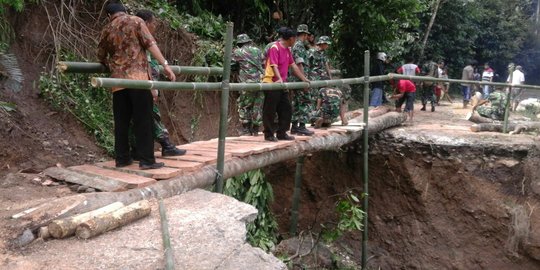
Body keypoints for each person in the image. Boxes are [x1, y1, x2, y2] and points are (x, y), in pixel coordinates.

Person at [98, 3, 175, 170]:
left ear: (109, 15)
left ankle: (122, 159)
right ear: (125, 11)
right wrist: (165, 64)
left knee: (122, 122)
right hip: (138, 79)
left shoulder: (106, 29)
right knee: (143, 120)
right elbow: (149, 44)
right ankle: (147, 160)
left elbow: (101, 55)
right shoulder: (136, 21)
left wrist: (112, 64)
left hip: (118, 82)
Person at [135, 10, 186, 157]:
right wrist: (153, 87)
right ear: (147, 23)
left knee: (143, 115)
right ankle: (166, 145)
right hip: (146, 85)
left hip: (145, 84)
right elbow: (147, 66)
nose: (155, 26)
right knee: (152, 114)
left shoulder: (138, 38)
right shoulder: (143, 39)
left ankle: (138, 149)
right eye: (154, 22)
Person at [262, 27, 309, 142]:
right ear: (291, 38)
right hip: (272, 82)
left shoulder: (287, 50)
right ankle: (268, 134)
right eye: (295, 39)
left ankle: (282, 132)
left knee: (286, 108)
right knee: (270, 109)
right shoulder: (275, 47)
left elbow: (293, 66)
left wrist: (304, 79)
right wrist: (279, 78)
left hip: (282, 84)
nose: (295, 41)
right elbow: (274, 65)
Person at [232, 33, 264, 136]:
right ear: (249, 41)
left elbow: (231, 65)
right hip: (260, 83)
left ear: (239, 44)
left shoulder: (237, 52)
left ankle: (246, 129)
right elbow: (263, 63)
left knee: (244, 105)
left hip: (246, 83)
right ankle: (255, 129)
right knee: (257, 105)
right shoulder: (258, 51)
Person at [289, 24, 315, 136]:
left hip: (297, 80)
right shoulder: (299, 46)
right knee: (305, 101)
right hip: (299, 80)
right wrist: (304, 80)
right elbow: (299, 64)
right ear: (304, 35)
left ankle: (295, 126)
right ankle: (302, 126)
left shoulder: (296, 45)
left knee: (297, 103)